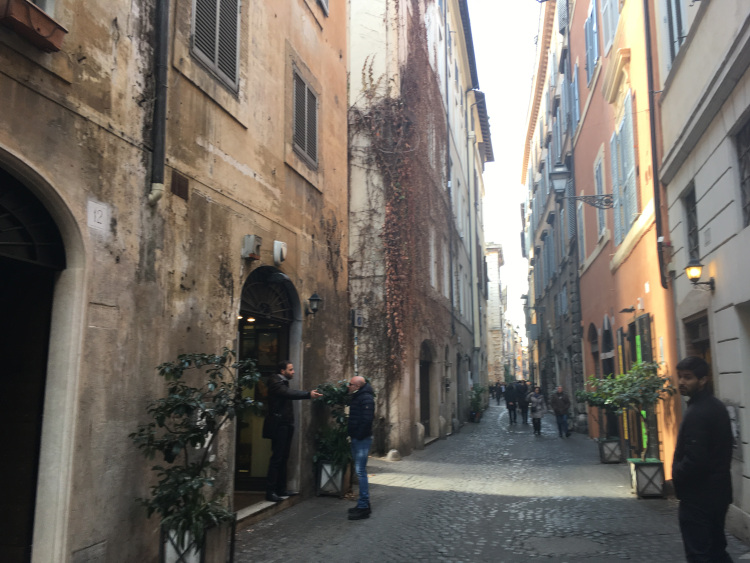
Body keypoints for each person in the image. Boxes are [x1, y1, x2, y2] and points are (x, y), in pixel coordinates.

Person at [672, 356, 733, 563]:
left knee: (699, 553)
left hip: (698, 496)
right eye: (679, 377)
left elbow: (696, 459)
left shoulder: (698, 412)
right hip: (718, 493)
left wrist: (677, 475)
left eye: (687, 378)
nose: (681, 382)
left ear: (703, 379)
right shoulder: (715, 406)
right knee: (716, 550)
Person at [264, 361, 322, 502]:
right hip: (279, 425)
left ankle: (280, 489)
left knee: (284, 458)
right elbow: (288, 393)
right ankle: (270, 491)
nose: (294, 372)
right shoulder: (275, 382)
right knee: (277, 458)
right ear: (282, 371)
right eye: (291, 369)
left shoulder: (282, 382)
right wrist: (308, 394)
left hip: (285, 424)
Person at [347, 375, 375, 520]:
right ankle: (363, 504)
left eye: (350, 384)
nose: (348, 386)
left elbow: (367, 420)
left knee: (361, 471)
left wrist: (357, 435)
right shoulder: (359, 396)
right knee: (360, 471)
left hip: (362, 439)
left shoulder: (366, 398)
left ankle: (363, 506)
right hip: (357, 438)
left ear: (357, 386)